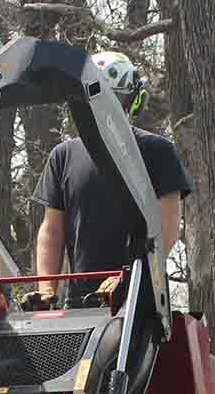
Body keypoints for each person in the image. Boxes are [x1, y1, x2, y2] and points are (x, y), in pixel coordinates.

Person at [24, 52, 191, 310]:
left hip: (139, 305)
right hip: (78, 305)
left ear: (131, 102)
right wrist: (46, 287)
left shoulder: (157, 152)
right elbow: (52, 230)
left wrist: (131, 277)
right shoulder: (63, 156)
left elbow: (167, 227)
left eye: (116, 99)